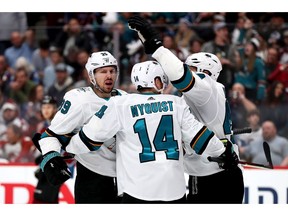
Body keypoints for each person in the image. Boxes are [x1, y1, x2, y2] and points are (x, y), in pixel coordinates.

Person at [65, 60, 238, 203]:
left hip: (137, 191)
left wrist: (69, 148)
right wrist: (223, 151)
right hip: (174, 192)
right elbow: (200, 137)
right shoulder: (176, 103)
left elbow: (89, 138)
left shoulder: (120, 104)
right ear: (156, 80)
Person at [127, 15, 244, 203]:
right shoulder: (205, 96)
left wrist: (157, 48)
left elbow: (179, 76)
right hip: (208, 173)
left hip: (215, 177)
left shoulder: (206, 87)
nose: (185, 70)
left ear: (204, 72)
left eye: (190, 68)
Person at [33, 51, 126, 203]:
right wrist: (51, 156)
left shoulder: (125, 98)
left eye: (112, 71)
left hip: (124, 177)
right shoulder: (79, 100)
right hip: (92, 177)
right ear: (91, 75)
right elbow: (51, 135)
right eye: (103, 71)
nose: (109, 76)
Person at [33, 95, 63, 204]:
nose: (46, 110)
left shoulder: (60, 124)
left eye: (49, 107)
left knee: (41, 200)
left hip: (54, 169)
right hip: (48, 168)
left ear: (55, 108)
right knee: (50, 201)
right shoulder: (42, 126)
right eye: (44, 107)